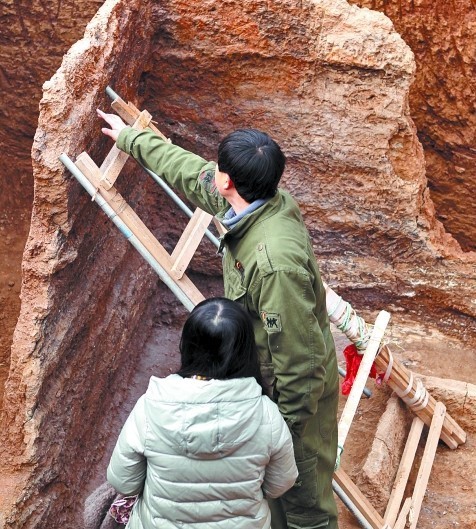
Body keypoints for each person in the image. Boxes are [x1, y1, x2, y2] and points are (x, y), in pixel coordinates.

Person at [99, 108, 339, 529]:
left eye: (219, 169)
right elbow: (192, 173)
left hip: (295, 397)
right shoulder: (259, 201)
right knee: (271, 496)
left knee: (304, 507)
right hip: (266, 374)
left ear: (228, 182)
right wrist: (131, 139)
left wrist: (278, 432)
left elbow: (300, 366)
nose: (213, 174)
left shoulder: (274, 265)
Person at [107, 297, 298, 528]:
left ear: (188, 345)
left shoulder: (150, 407)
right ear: (246, 350)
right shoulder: (267, 414)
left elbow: (124, 482)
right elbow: (280, 484)